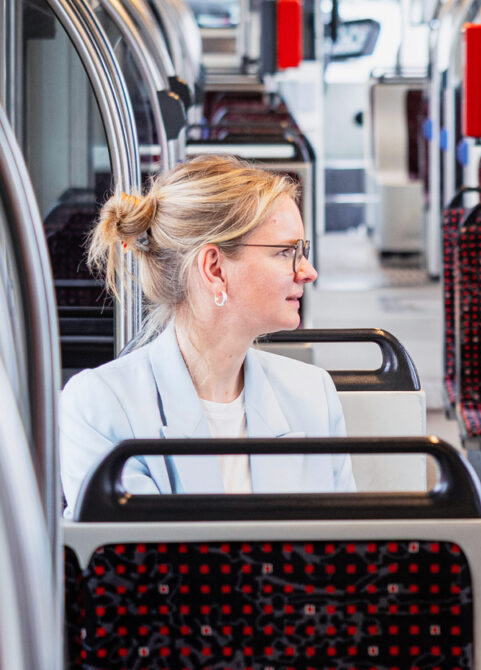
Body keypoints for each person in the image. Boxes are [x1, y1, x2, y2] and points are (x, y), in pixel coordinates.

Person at [60, 155, 355, 516]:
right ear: (214, 268)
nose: (308, 271)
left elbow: (342, 548)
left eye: (302, 252)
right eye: (285, 252)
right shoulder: (100, 407)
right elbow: (137, 566)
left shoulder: (313, 395)